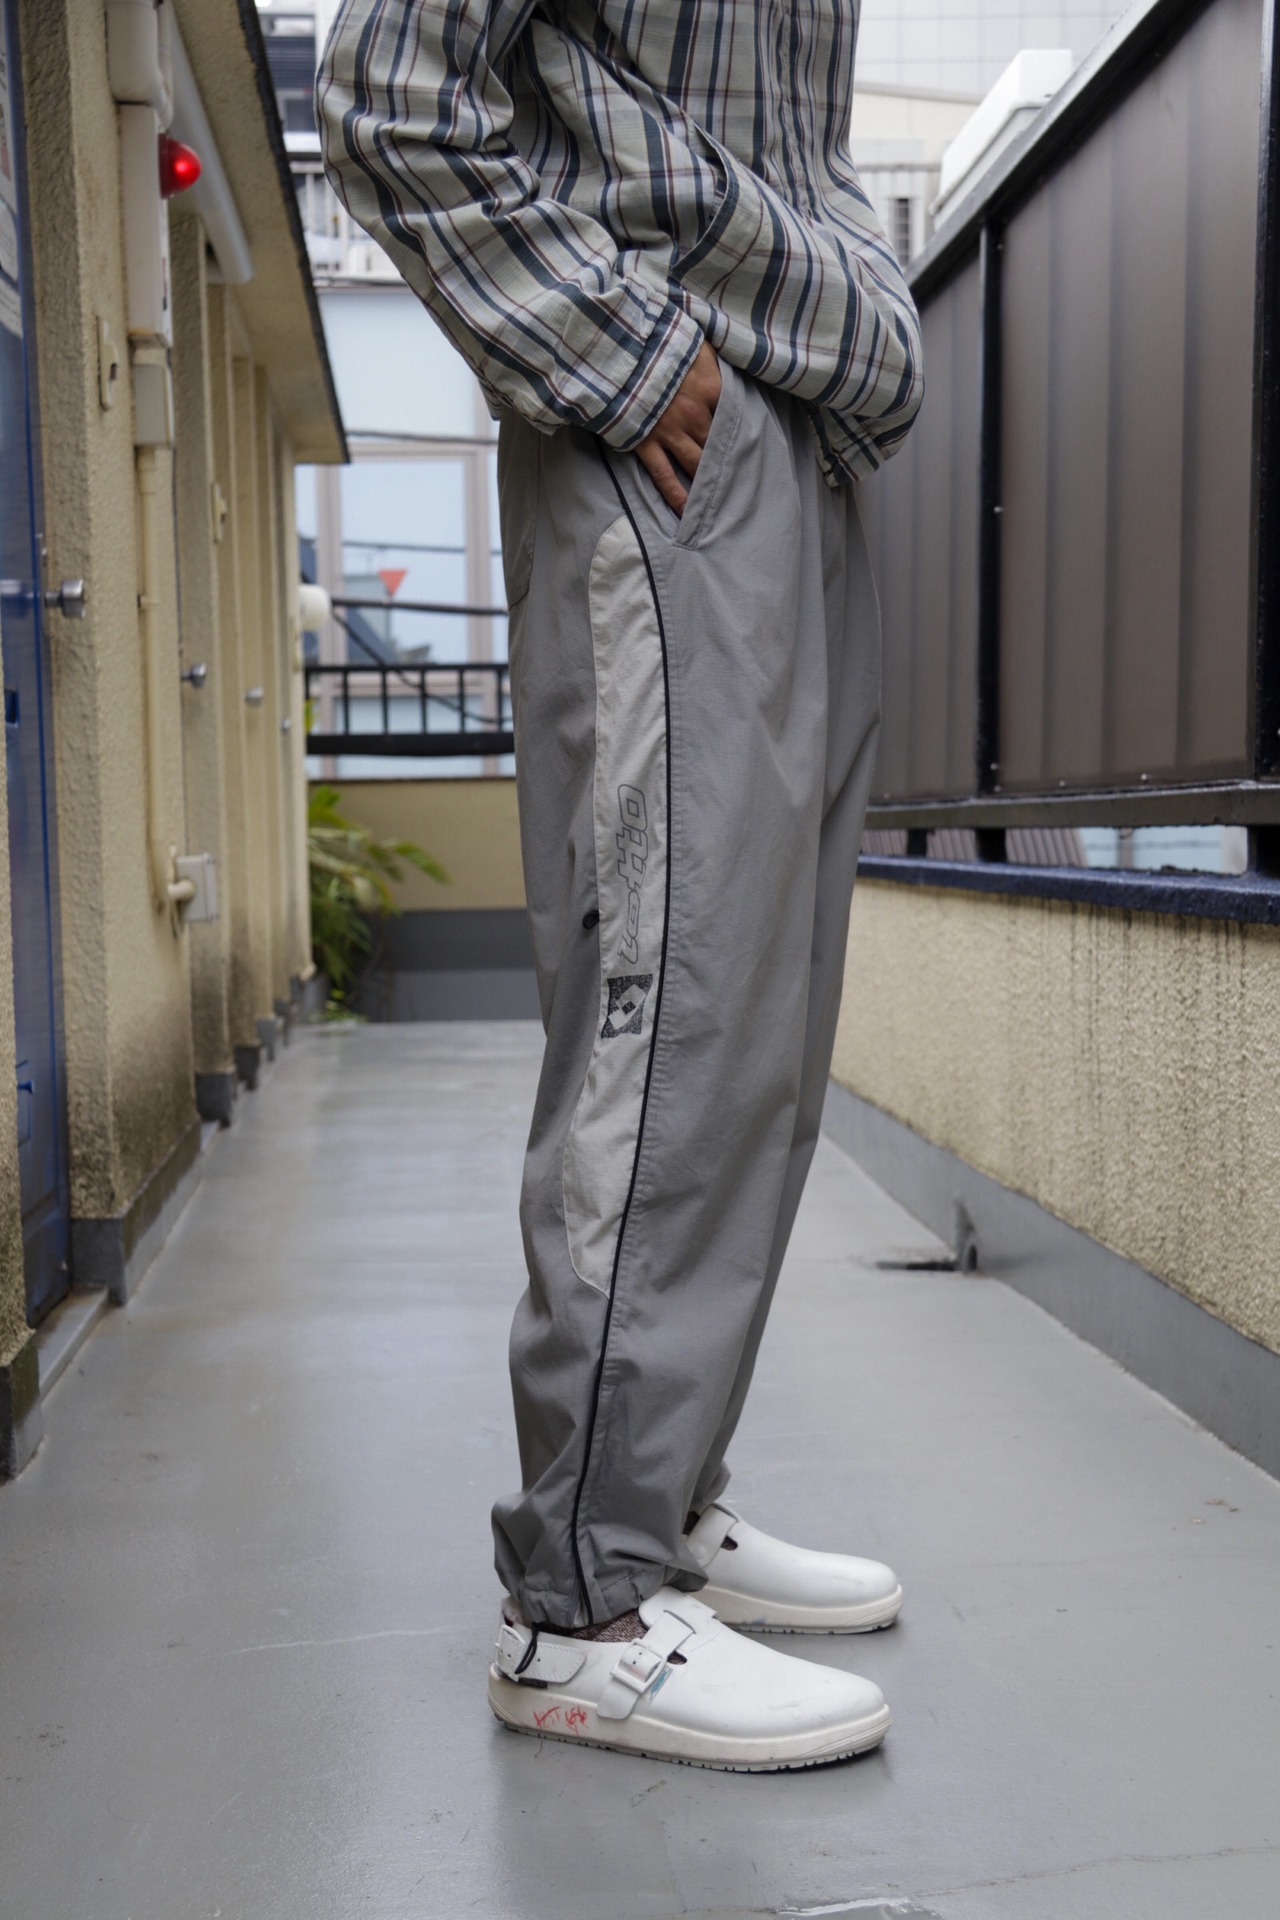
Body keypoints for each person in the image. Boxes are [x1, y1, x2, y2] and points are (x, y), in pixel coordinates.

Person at [318, 0, 923, 1771]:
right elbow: (392, 89)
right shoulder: (649, 370)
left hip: (791, 405)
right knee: (681, 1006)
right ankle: (579, 1605)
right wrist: (631, 357)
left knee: (767, 1031)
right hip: (664, 407)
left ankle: (662, 1505)